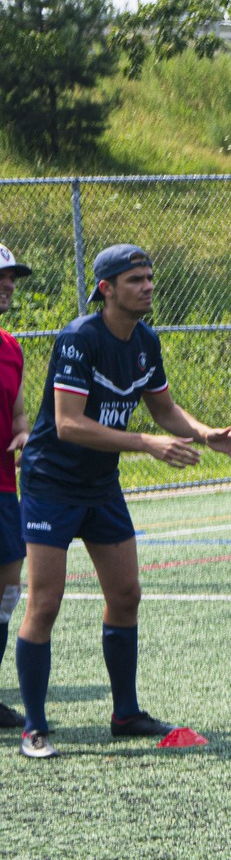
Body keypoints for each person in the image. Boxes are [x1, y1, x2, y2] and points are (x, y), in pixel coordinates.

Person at [15, 244, 231, 760]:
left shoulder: (145, 340)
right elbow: (69, 425)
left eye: (149, 277)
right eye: (135, 279)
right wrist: (146, 443)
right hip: (51, 484)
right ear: (106, 289)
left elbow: (164, 409)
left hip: (101, 487)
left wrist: (206, 433)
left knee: (126, 595)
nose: (147, 286)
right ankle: (34, 727)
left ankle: (125, 714)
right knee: (45, 602)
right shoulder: (80, 338)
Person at [0, 246, 32, 729]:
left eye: (10, 279)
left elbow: (20, 412)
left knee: (6, 593)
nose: (7, 285)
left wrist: (25, 434)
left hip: (5, 490)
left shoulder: (11, 347)